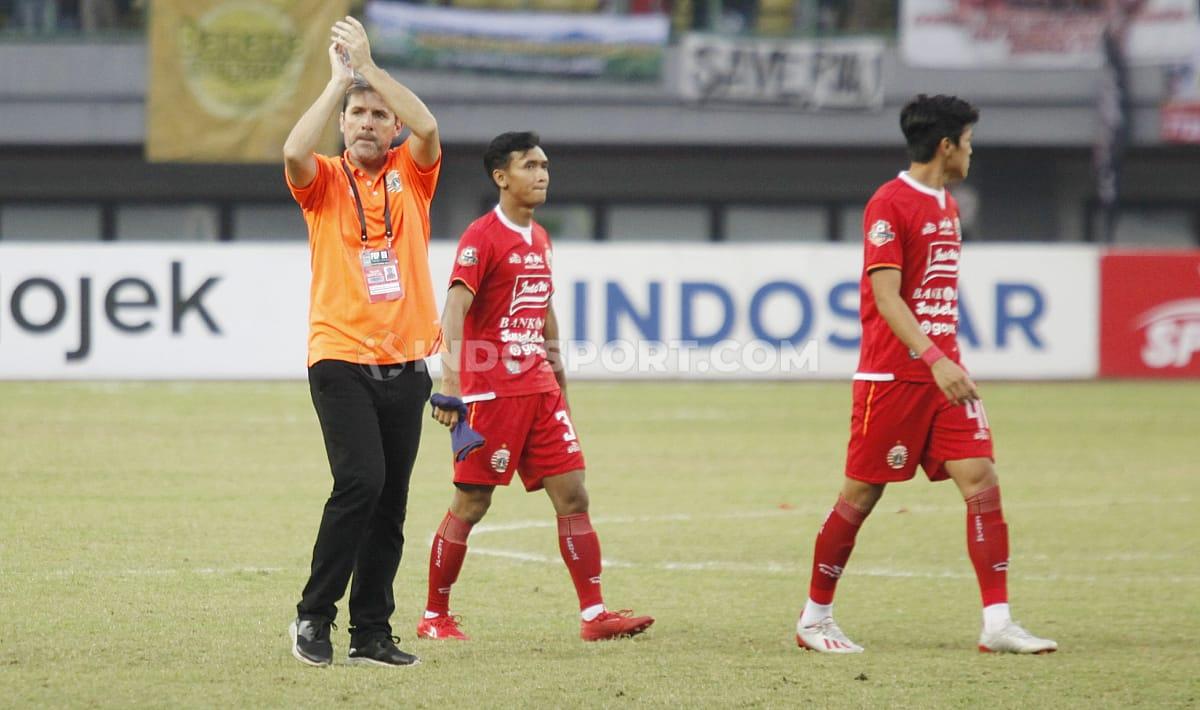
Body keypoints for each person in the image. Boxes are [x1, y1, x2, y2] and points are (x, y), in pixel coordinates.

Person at [795, 95, 1058, 655]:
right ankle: (814, 618)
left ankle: (997, 623)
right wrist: (934, 359)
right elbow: (885, 297)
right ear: (947, 145)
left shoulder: (949, 205)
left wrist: (946, 362)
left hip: (945, 378)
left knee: (981, 478)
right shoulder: (890, 203)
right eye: (968, 141)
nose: (971, 151)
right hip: (893, 379)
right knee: (860, 496)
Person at [417, 132, 654, 642]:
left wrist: (560, 381)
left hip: (541, 391)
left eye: (544, 164)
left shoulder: (541, 238)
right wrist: (452, 382)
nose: (542, 173)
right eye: (529, 165)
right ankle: (434, 615)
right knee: (472, 503)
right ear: (502, 177)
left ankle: (594, 616)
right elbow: (454, 308)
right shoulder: (482, 236)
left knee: (573, 494)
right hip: (491, 394)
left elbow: (543, 313)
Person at [283, 16, 442, 668]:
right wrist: (337, 83)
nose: (370, 121)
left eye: (379, 114)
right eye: (358, 114)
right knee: (361, 482)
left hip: (406, 362)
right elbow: (292, 153)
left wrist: (371, 71)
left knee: (391, 506)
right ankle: (311, 618)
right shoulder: (321, 181)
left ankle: (371, 633)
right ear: (343, 125)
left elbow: (429, 129)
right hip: (339, 356)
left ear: (392, 126)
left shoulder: (414, 170)